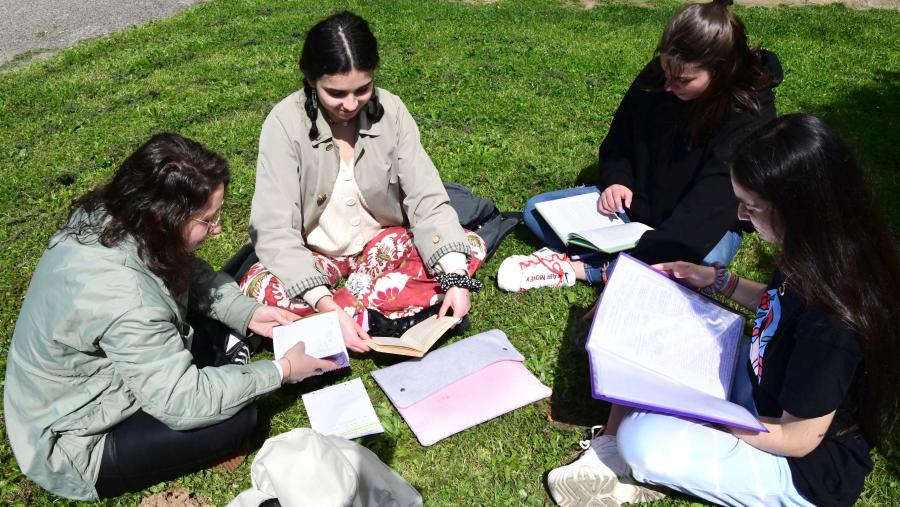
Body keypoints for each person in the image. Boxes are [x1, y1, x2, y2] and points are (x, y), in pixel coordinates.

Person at [546, 114, 900, 506]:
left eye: (751, 207)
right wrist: (718, 281)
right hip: (761, 386)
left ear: (799, 209)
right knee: (658, 331)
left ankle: (624, 448)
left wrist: (710, 416)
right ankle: (616, 446)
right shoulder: (814, 250)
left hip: (799, 468)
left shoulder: (833, 321)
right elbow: (780, 305)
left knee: (642, 442)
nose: (741, 217)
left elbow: (797, 439)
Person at [3, 133, 338, 501]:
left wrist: (249, 312)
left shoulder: (117, 214)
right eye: (208, 220)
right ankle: (226, 357)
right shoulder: (128, 299)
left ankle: (226, 351)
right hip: (75, 440)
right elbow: (183, 403)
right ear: (164, 218)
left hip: (89, 378)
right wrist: (281, 371)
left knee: (218, 353)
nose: (218, 228)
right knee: (240, 417)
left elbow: (183, 268)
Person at [240, 11, 486, 352]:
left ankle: (338, 320)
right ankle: (372, 311)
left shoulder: (391, 111)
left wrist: (456, 276)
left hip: (382, 248)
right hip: (315, 257)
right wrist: (322, 299)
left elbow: (426, 196)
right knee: (259, 285)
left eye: (362, 90)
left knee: (467, 246)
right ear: (311, 79)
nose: (351, 104)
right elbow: (273, 227)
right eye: (336, 93)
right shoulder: (284, 123)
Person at [498, 0, 782, 292]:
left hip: (701, 223)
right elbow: (620, 137)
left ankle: (591, 269)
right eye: (666, 72)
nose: (668, 85)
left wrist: (647, 256)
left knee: (703, 263)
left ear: (721, 71)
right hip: (635, 210)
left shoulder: (750, 114)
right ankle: (627, 264)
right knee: (537, 211)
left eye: (682, 80)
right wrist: (618, 179)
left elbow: (708, 208)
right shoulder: (662, 74)